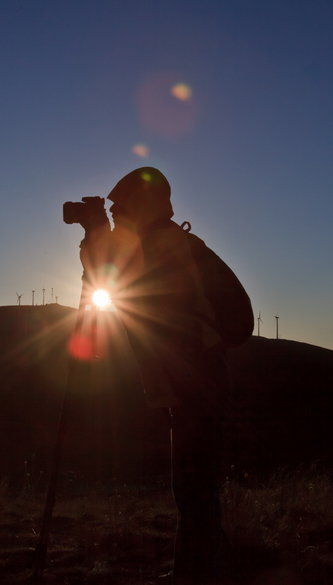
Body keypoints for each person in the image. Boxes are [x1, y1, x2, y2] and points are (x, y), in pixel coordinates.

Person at [77, 167, 232, 584]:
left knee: (195, 491)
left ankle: (199, 575)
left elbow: (105, 270)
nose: (116, 217)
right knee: (197, 491)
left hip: (195, 384)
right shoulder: (171, 241)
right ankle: (201, 569)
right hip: (197, 383)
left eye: (119, 208)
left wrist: (94, 231)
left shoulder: (160, 243)